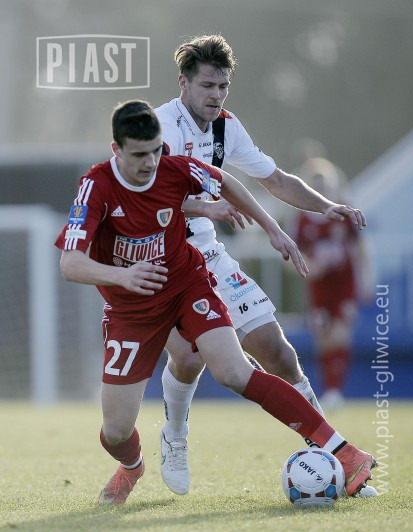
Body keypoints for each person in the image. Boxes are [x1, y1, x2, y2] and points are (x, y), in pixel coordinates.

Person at [55, 100, 376, 505]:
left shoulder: (172, 167)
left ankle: (344, 452)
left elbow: (225, 181)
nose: (151, 163)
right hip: (131, 308)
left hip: (186, 284)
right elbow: (70, 264)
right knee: (115, 431)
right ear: (116, 149)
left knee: (234, 371)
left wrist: (270, 227)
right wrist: (124, 275)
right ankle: (133, 467)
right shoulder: (96, 186)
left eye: (156, 151)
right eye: (139, 155)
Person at [154, 34, 377, 497]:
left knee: (278, 352)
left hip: (207, 254)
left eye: (223, 86)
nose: (216, 95)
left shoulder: (226, 127)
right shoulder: (161, 127)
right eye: (207, 85)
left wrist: (326, 206)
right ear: (184, 83)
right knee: (189, 358)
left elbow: (275, 179)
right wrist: (208, 208)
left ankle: (336, 457)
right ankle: (174, 435)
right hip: (159, 257)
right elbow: (150, 199)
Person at [292, 157, 373, 410]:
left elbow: (360, 247)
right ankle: (328, 390)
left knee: (341, 334)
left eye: (324, 183)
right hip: (319, 286)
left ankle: (335, 391)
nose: (321, 188)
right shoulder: (302, 218)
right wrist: (308, 267)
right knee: (323, 338)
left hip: (344, 283)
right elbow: (291, 253)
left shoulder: (344, 210)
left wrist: (366, 279)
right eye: (315, 184)